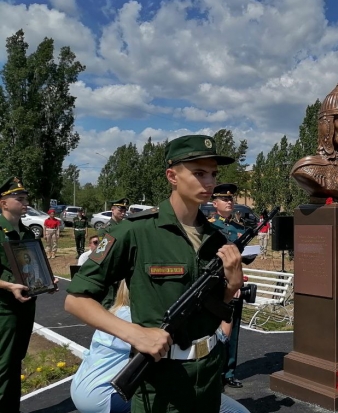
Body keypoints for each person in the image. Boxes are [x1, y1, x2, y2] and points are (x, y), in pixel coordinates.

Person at [65, 134, 245, 413]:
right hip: (161, 379)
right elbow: (76, 299)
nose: (209, 182)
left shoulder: (216, 238)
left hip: (208, 372)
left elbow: (210, 308)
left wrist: (231, 287)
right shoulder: (134, 231)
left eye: (212, 174)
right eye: (199, 173)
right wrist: (133, 334)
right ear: (172, 176)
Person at [70, 281, 250, 413]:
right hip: (107, 395)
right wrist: (227, 301)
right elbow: (220, 337)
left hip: (82, 389)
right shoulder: (143, 319)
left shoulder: (116, 313)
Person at [0, 176, 57, 412]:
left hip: (26, 307)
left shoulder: (27, 233)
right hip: (4, 310)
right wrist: (8, 286)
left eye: (26, 199)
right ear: (3, 202)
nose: (25, 203)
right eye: (19, 198)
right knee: (2, 365)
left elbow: (34, 266)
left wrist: (46, 280)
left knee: (16, 362)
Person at [208, 183, 246, 389]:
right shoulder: (209, 226)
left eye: (231, 198)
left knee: (234, 330)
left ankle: (229, 371)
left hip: (235, 286)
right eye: (224, 199)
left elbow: (244, 260)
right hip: (216, 286)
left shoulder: (239, 229)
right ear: (215, 204)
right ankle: (212, 370)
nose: (229, 201)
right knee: (213, 329)